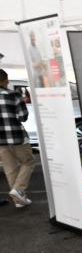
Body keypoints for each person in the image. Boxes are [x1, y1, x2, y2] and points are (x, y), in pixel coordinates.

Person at [0, 69, 36, 208]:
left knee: (10, 168)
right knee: (28, 162)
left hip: (0, 141)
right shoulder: (14, 95)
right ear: (3, 81)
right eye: (6, 79)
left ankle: (19, 200)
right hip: (17, 137)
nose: (8, 81)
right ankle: (18, 190)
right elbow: (23, 117)